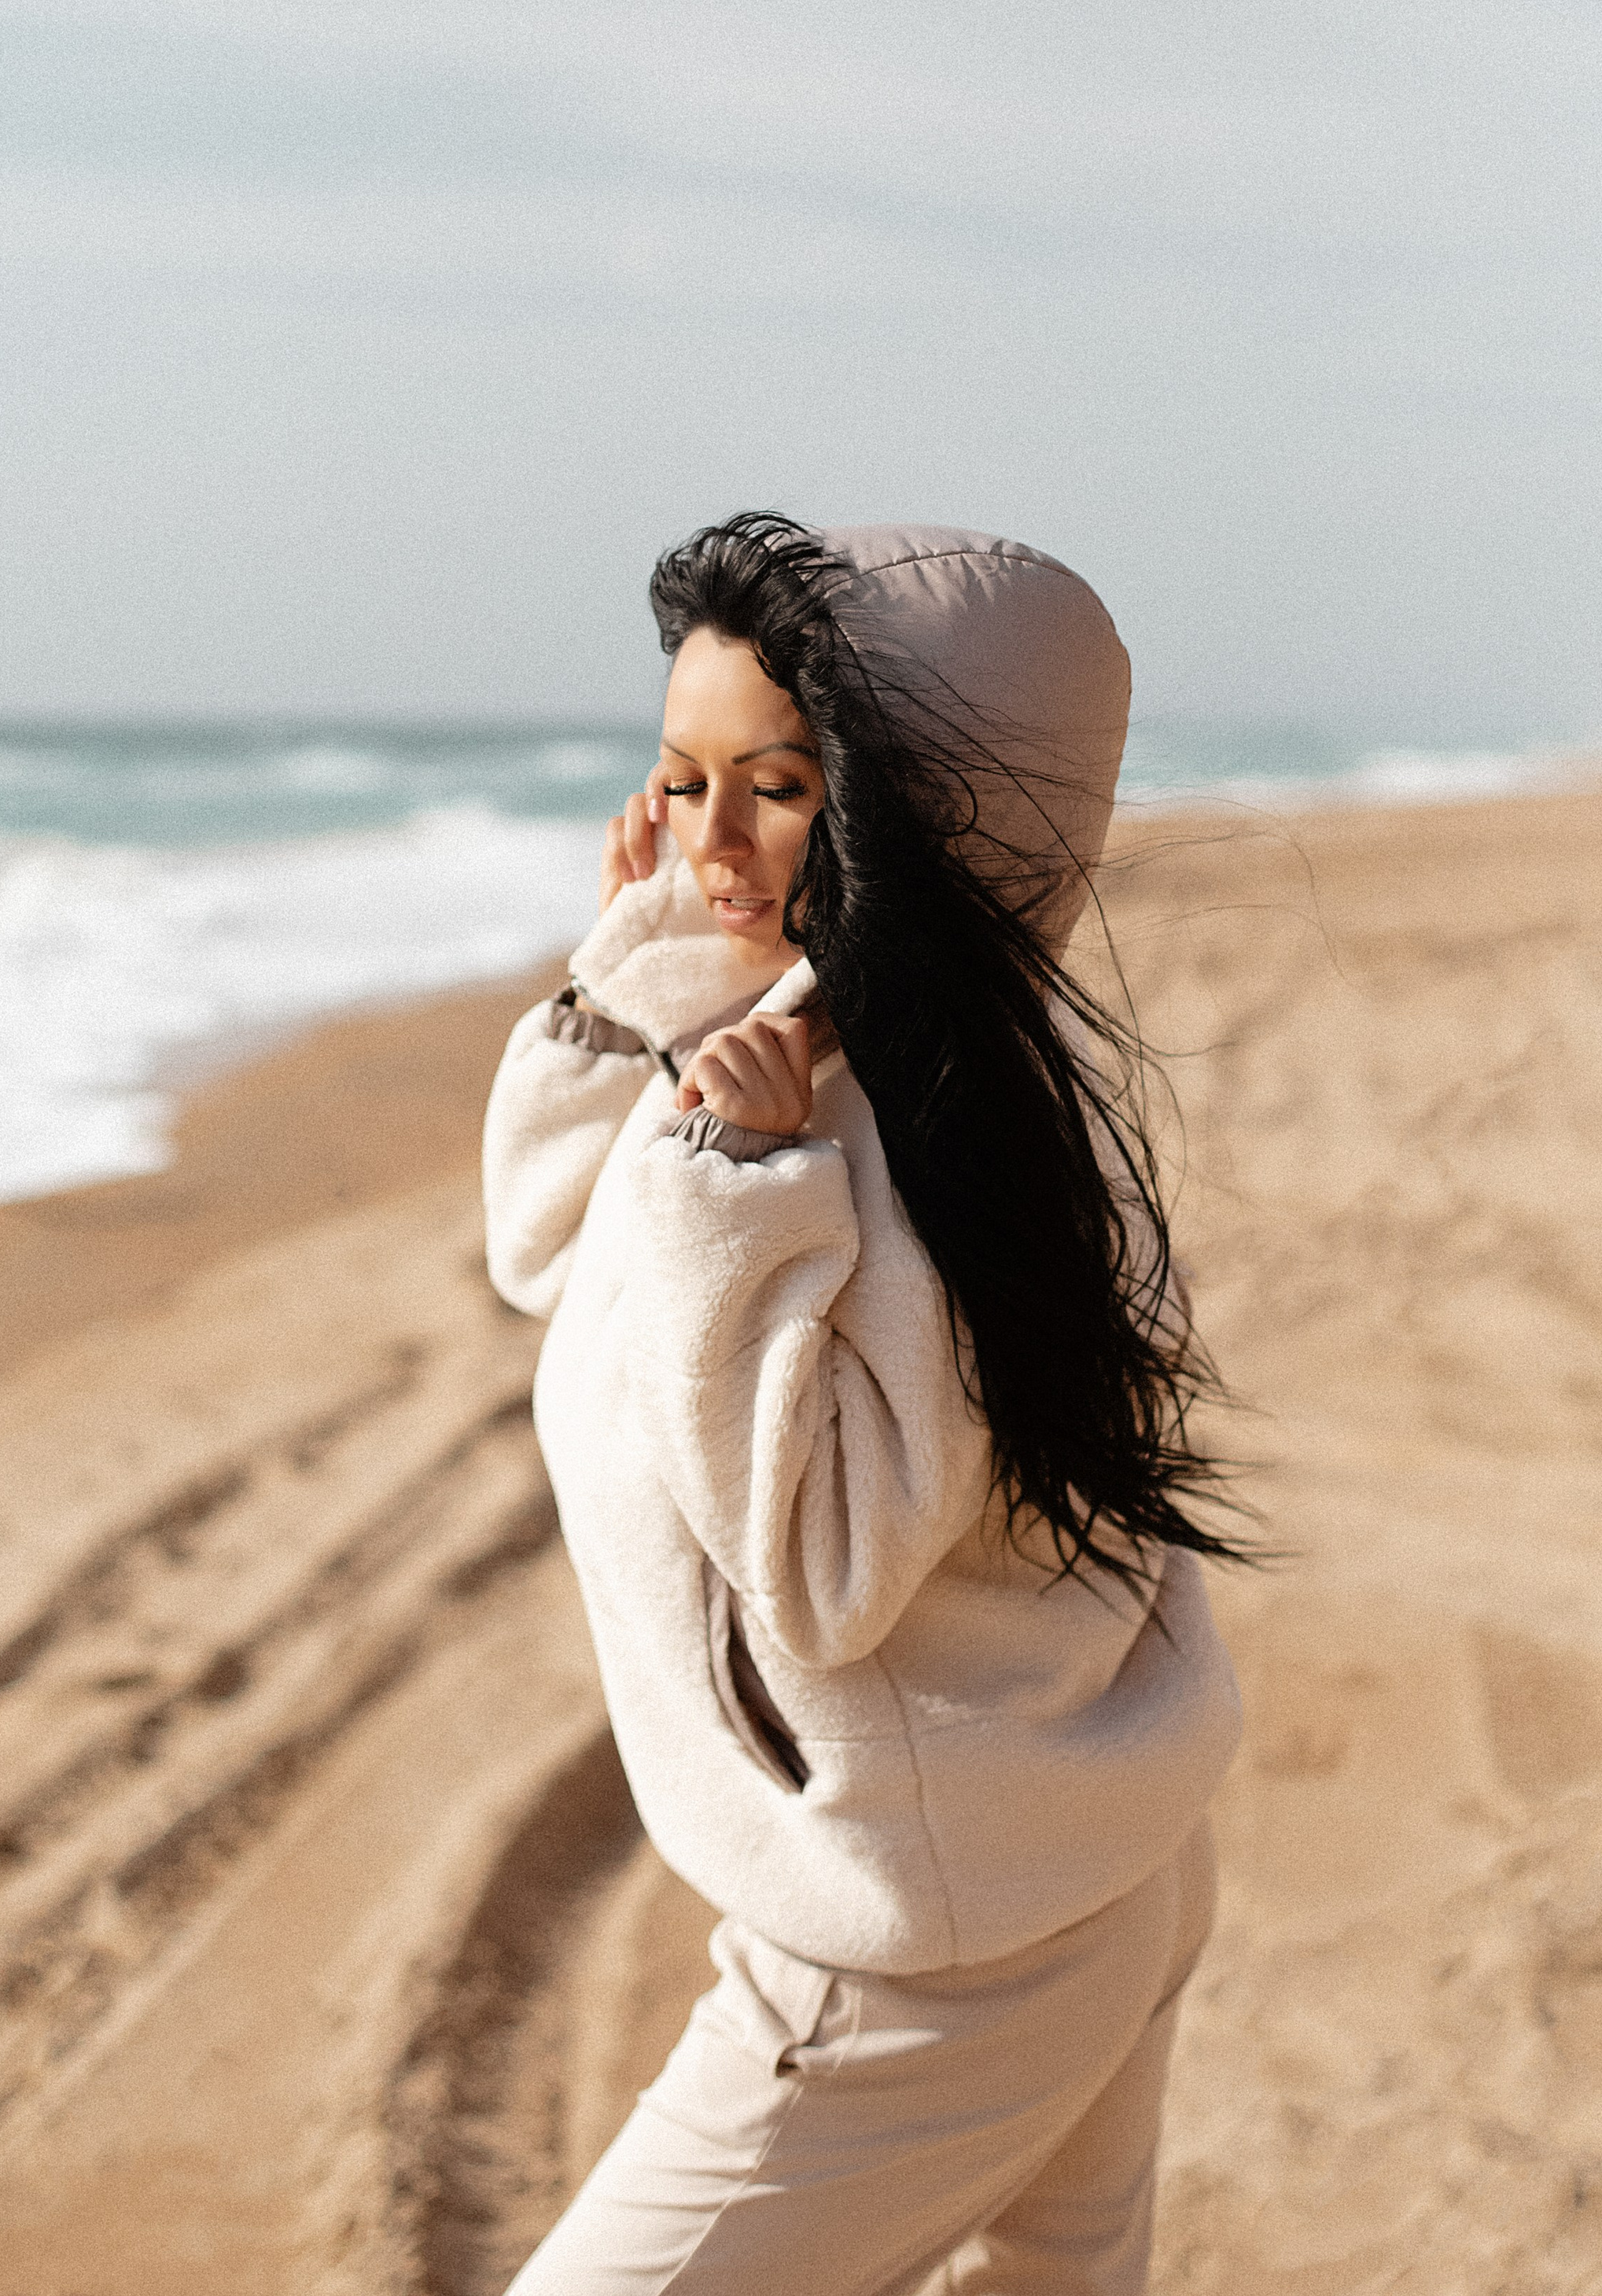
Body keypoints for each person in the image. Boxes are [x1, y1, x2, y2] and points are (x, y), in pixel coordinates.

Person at [481, 516, 1243, 2295]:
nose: (705, 842)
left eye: (777, 787)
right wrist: (633, 975)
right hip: (1066, 1868)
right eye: (675, 780)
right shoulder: (879, 1049)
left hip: (925, 1963)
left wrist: (727, 1180)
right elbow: (543, 1249)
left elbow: (820, 1568)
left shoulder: (883, 1129)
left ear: (927, 814)